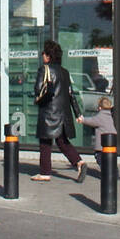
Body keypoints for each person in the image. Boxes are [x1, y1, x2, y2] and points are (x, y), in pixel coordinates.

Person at [33, 40, 84, 182]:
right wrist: (77, 113)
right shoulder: (65, 72)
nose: (42, 54)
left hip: (49, 112)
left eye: (44, 52)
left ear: (48, 56)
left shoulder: (44, 69)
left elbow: (37, 89)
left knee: (45, 142)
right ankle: (79, 162)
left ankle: (45, 172)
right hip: (63, 113)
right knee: (62, 141)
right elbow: (71, 94)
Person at [77, 96, 118, 177]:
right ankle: (115, 174)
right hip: (111, 142)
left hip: (102, 146)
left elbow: (92, 121)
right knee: (111, 160)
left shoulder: (100, 116)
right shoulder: (109, 115)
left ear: (99, 107)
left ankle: (109, 175)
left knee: (101, 160)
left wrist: (82, 120)